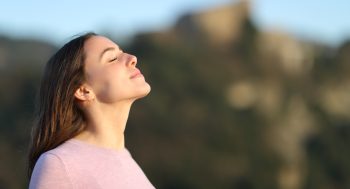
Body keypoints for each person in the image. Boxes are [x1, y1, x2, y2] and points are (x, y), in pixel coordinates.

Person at [27, 32, 155, 189]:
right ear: (83, 90)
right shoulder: (60, 165)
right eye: (112, 58)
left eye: (121, 53)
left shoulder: (125, 158)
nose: (132, 58)